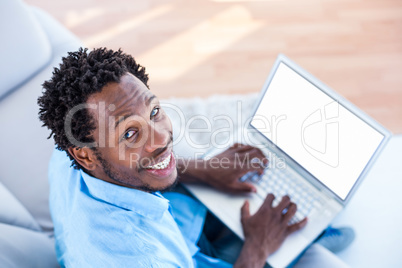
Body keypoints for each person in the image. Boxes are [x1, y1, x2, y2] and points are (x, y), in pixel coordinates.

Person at [38, 47, 352, 267]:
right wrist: (257, 248)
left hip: (176, 224)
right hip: (185, 255)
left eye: (155, 111)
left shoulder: (69, 149)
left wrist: (205, 170)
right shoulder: (143, 259)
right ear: (85, 156)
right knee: (320, 231)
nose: (162, 138)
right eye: (130, 134)